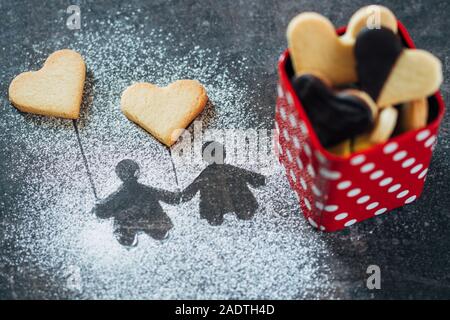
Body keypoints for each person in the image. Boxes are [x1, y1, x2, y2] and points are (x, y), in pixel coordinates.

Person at [94, 159, 179, 247]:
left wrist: (98, 207)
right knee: (160, 231)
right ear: (136, 173)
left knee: (126, 238)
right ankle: (159, 234)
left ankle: (129, 239)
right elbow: (176, 200)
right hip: (151, 223)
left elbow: (102, 214)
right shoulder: (148, 191)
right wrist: (193, 184)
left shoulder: (117, 196)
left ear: (119, 176)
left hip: (129, 226)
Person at [181, 141, 266, 225]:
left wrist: (168, 194)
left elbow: (183, 197)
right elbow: (261, 180)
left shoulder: (204, 177)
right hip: (244, 217)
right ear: (224, 154)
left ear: (205, 157)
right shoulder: (235, 171)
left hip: (217, 221)